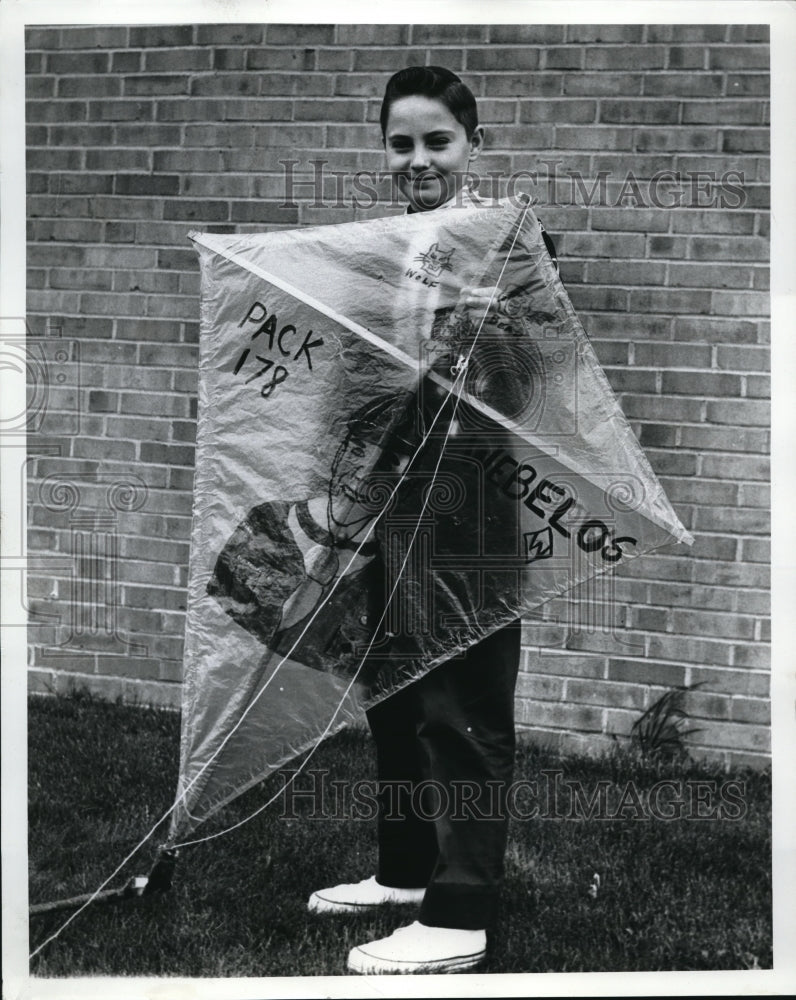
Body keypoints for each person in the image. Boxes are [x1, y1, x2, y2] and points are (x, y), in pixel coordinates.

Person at [305, 66, 559, 975]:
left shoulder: (513, 245)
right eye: (402, 143)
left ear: (472, 147)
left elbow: (532, 383)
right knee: (397, 696)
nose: (418, 159)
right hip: (390, 501)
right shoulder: (380, 252)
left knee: (464, 706)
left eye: (437, 141)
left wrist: (492, 320)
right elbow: (358, 383)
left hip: (472, 513)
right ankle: (408, 873)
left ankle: (461, 913)